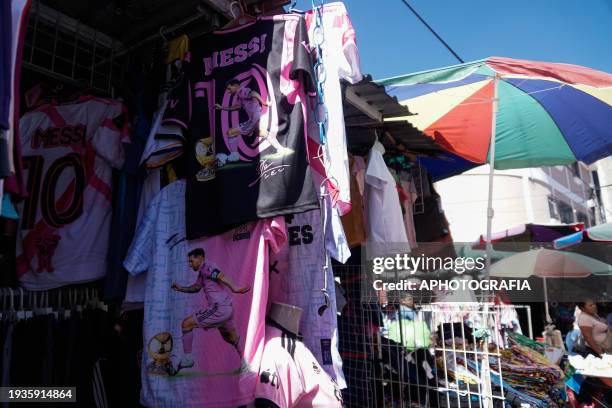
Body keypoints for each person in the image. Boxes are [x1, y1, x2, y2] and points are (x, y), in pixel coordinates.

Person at [171, 248, 251, 373]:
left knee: (186, 324)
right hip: (227, 308)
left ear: (200, 258)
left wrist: (235, 288)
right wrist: (181, 288)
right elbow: (196, 288)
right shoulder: (202, 273)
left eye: (191, 261)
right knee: (231, 338)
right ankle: (246, 363)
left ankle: (187, 359)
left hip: (219, 308)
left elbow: (221, 276)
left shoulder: (206, 267)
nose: (190, 264)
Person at [215, 79, 292, 163]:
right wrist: (222, 107)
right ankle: (280, 149)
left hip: (254, 117)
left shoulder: (242, 91)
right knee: (260, 132)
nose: (228, 91)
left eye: (229, 88)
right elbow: (237, 107)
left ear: (236, 86)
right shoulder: (239, 95)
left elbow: (253, 93)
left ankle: (234, 156)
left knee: (230, 132)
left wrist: (264, 103)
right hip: (254, 117)